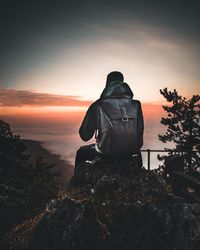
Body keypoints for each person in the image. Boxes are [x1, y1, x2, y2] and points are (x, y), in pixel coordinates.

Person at [75, 71, 144, 171]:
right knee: (137, 154)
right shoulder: (136, 105)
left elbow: (85, 136)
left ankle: (77, 185)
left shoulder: (98, 105)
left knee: (81, 152)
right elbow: (140, 133)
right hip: (131, 153)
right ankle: (138, 176)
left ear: (107, 84)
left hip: (106, 154)